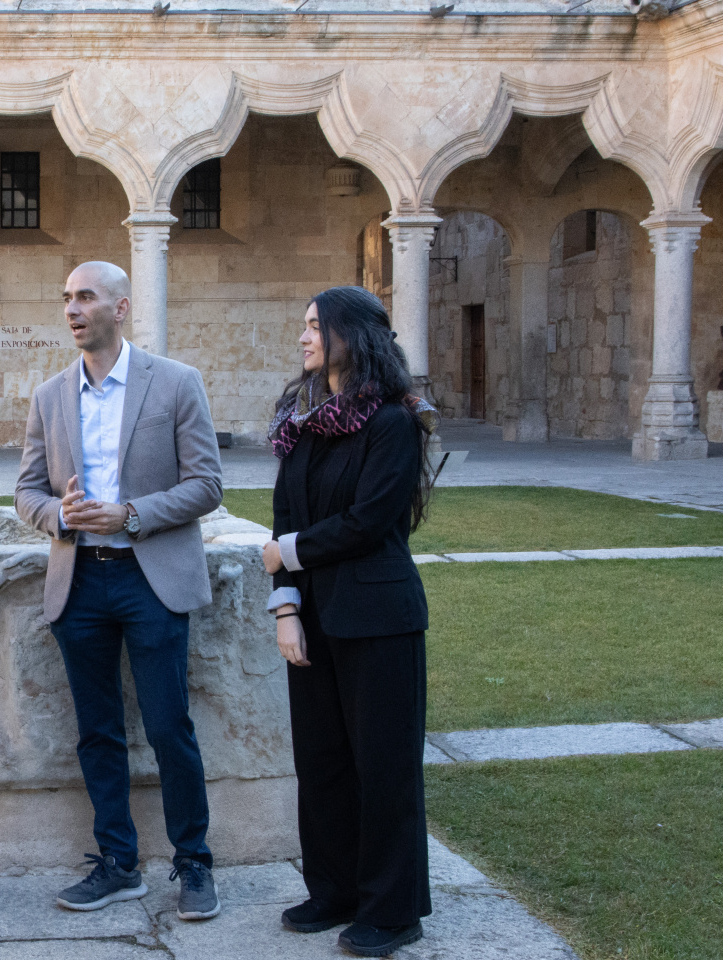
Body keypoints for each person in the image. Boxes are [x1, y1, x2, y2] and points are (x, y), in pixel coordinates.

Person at [15, 260, 225, 922]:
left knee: (168, 726)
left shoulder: (177, 383)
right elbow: (27, 490)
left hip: (150, 578)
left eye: (85, 297)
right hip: (79, 581)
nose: (72, 309)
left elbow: (207, 484)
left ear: (121, 307)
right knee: (98, 732)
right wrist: (59, 516)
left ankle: (193, 861)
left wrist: (130, 514)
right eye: (65, 298)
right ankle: (117, 864)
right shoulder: (50, 396)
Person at [261, 285, 436, 957]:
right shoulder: (305, 421)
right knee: (323, 764)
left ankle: (393, 910)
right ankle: (333, 889)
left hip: (378, 616)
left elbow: (370, 521)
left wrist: (290, 554)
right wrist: (286, 608)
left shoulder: (391, 422)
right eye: (303, 325)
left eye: (315, 326)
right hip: (316, 619)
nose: (304, 337)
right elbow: (285, 515)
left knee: (384, 767)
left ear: (349, 336)